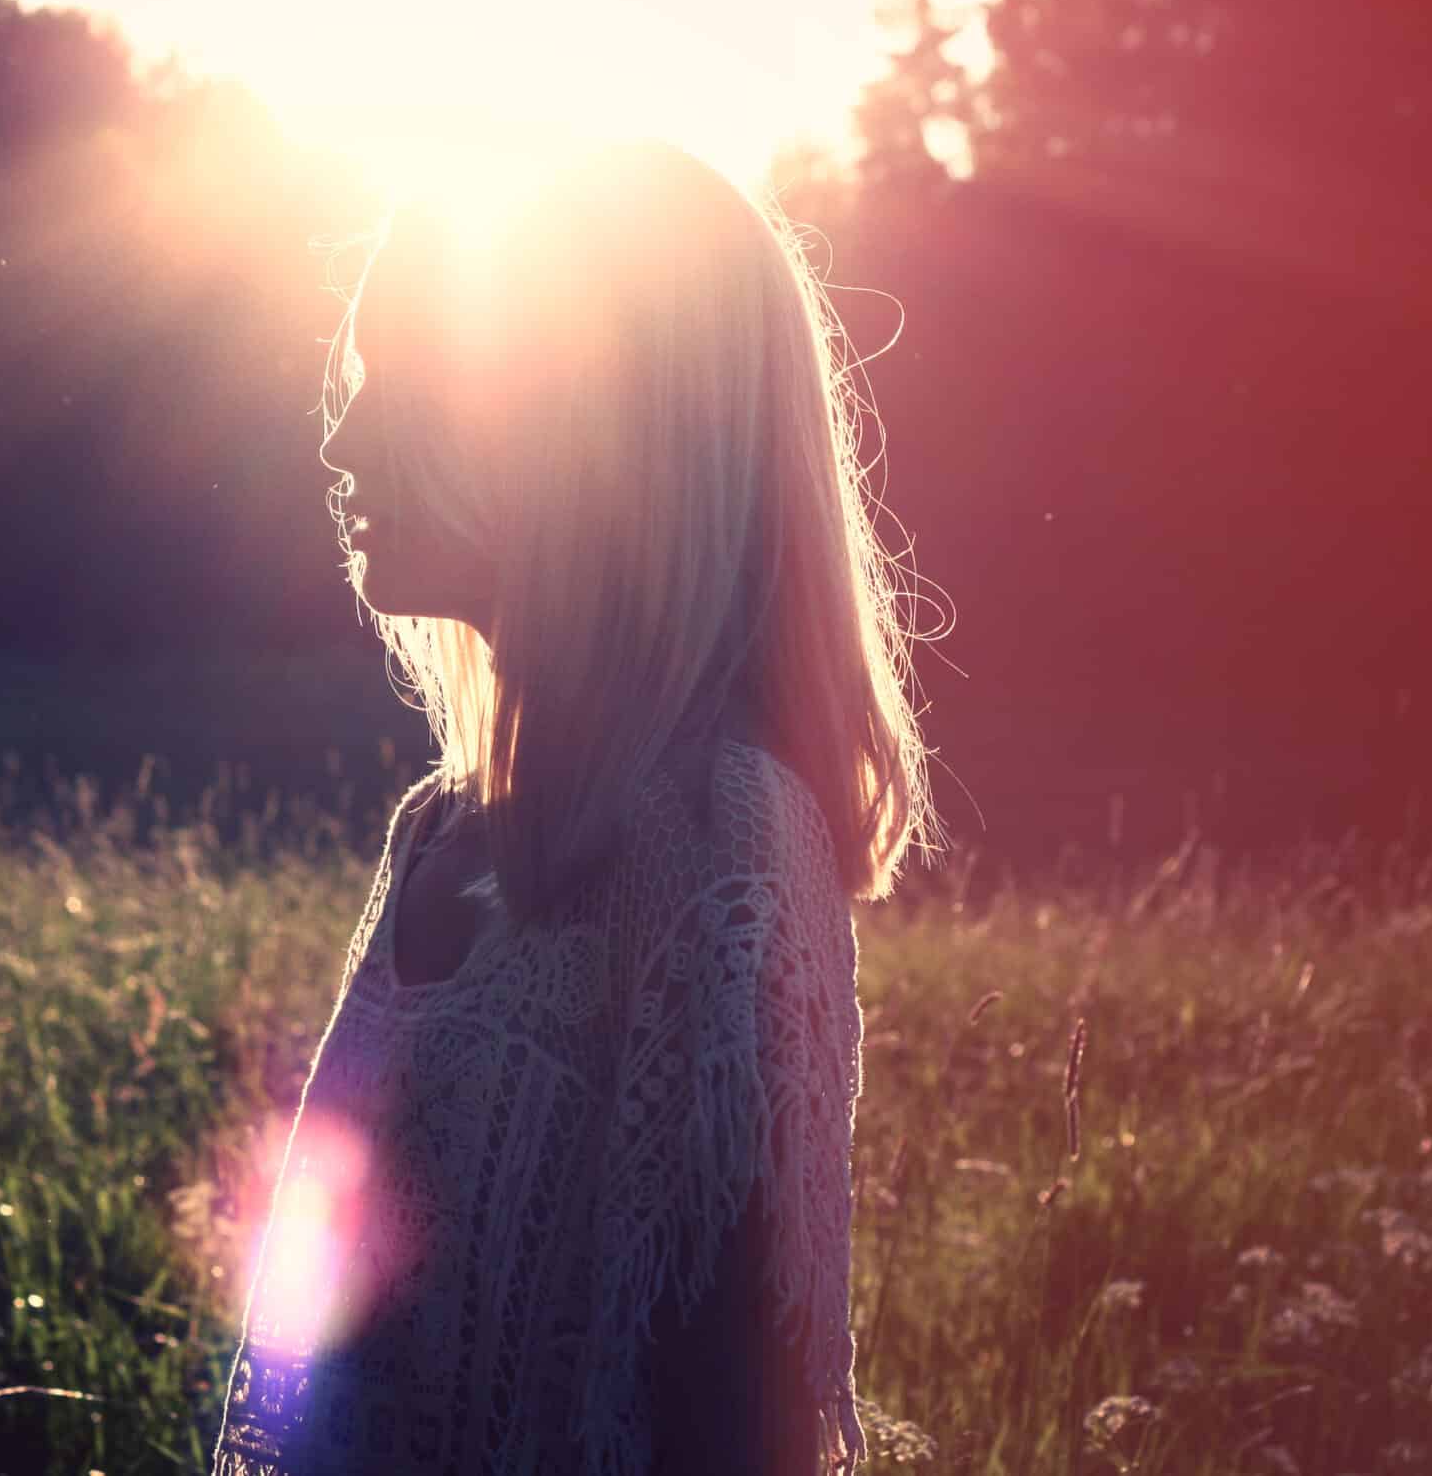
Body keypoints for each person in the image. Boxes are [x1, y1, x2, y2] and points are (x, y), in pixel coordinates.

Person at [210, 137, 941, 1475]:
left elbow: (740, 1417)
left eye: (413, 379)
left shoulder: (722, 844)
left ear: (587, 429)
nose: (343, 433)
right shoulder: (439, 828)